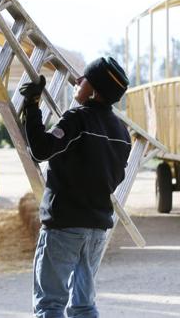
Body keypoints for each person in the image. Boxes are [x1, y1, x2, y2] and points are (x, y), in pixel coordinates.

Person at [20, 57, 131, 318]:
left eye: (84, 79)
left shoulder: (78, 119)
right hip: (97, 229)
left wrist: (32, 106)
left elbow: (40, 149)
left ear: (93, 90)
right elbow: (116, 177)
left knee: (50, 305)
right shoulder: (122, 132)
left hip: (64, 226)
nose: (77, 81)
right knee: (83, 306)